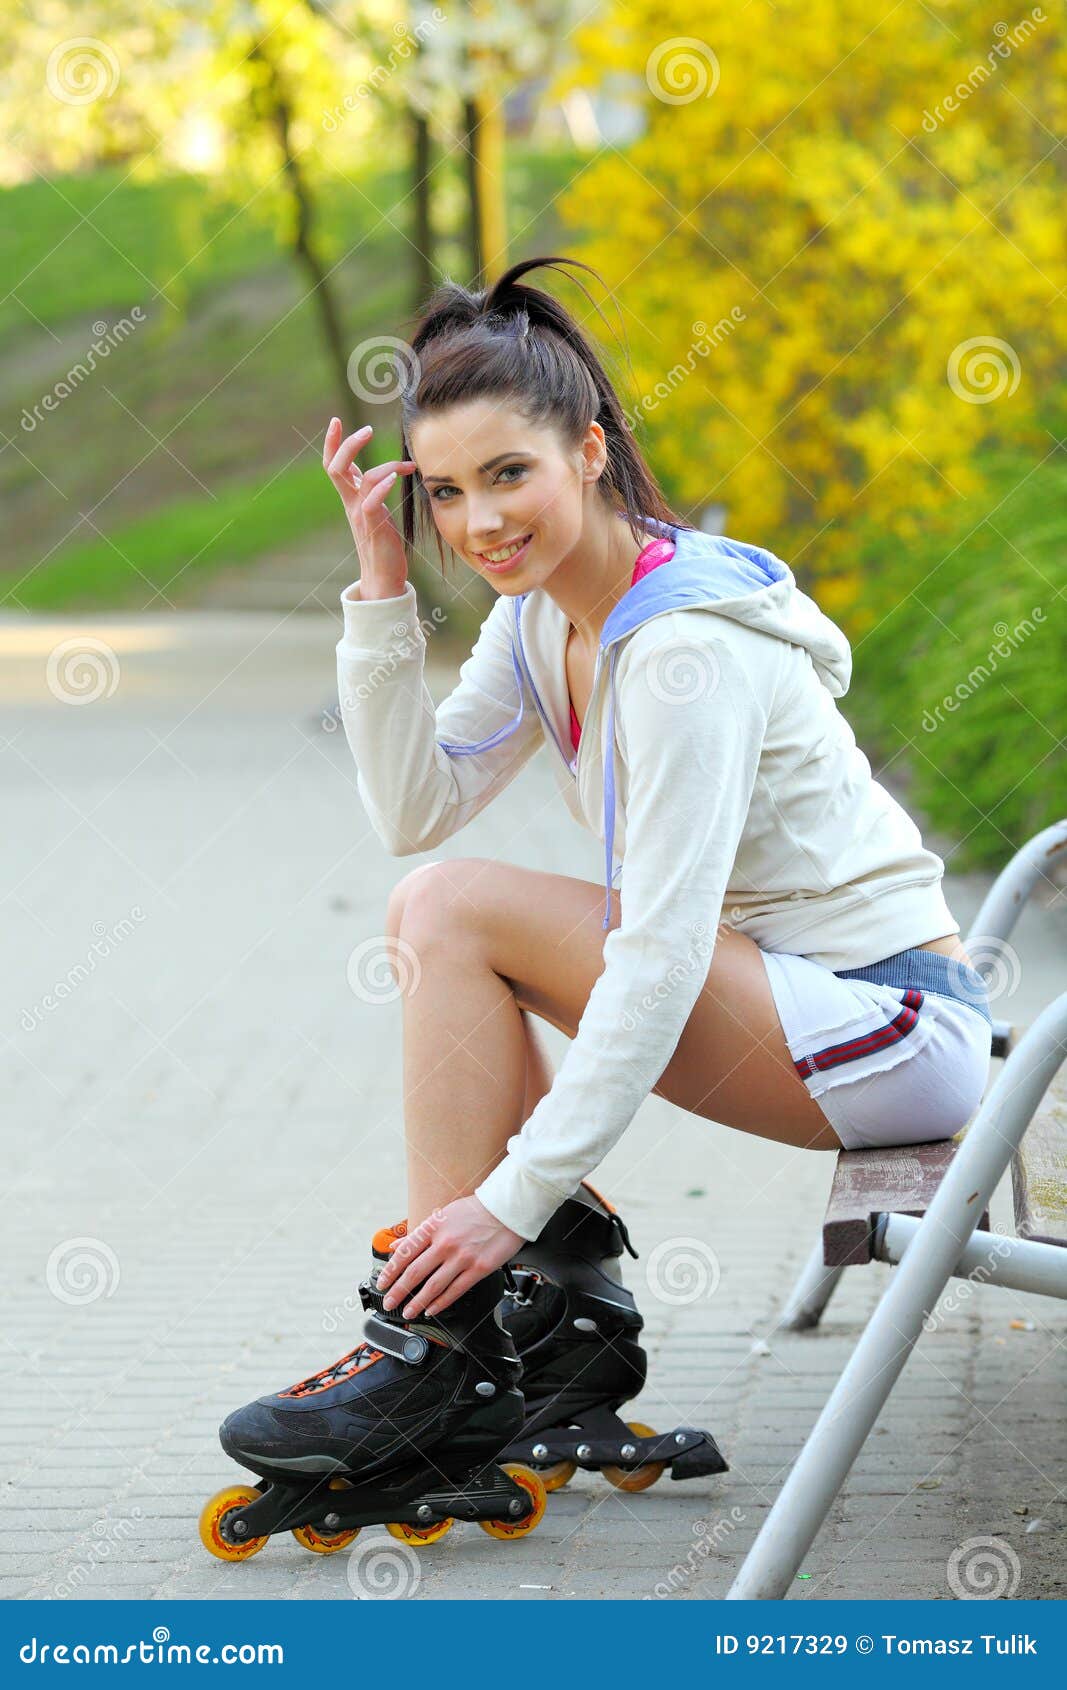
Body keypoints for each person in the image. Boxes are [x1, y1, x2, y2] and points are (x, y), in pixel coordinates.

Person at [214, 255, 992, 1525]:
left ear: (588, 450)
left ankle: (437, 1343)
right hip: (801, 1008)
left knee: (457, 911)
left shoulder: (683, 652)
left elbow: (660, 955)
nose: (478, 524)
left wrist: (498, 1201)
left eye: (507, 475)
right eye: (447, 492)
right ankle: (539, 1323)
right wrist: (378, 587)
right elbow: (416, 812)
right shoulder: (542, 624)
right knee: (440, 903)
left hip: (889, 1028)